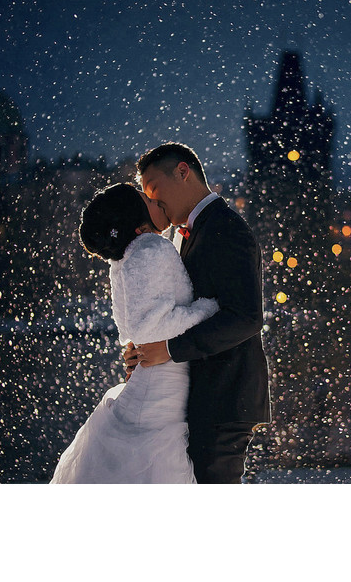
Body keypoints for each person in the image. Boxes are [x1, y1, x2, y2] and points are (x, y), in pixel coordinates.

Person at [50, 183, 218, 483]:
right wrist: (207, 310)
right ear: (138, 219)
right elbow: (147, 327)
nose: (155, 199)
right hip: (161, 392)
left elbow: (129, 328)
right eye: (146, 199)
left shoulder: (127, 257)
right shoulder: (152, 249)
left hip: (153, 384)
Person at [125, 142, 271, 484]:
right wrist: (147, 348)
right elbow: (186, 309)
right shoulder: (191, 232)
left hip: (225, 395)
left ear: (182, 171)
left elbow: (246, 317)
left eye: (153, 189)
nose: (151, 200)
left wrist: (169, 350)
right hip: (209, 397)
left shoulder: (225, 227)